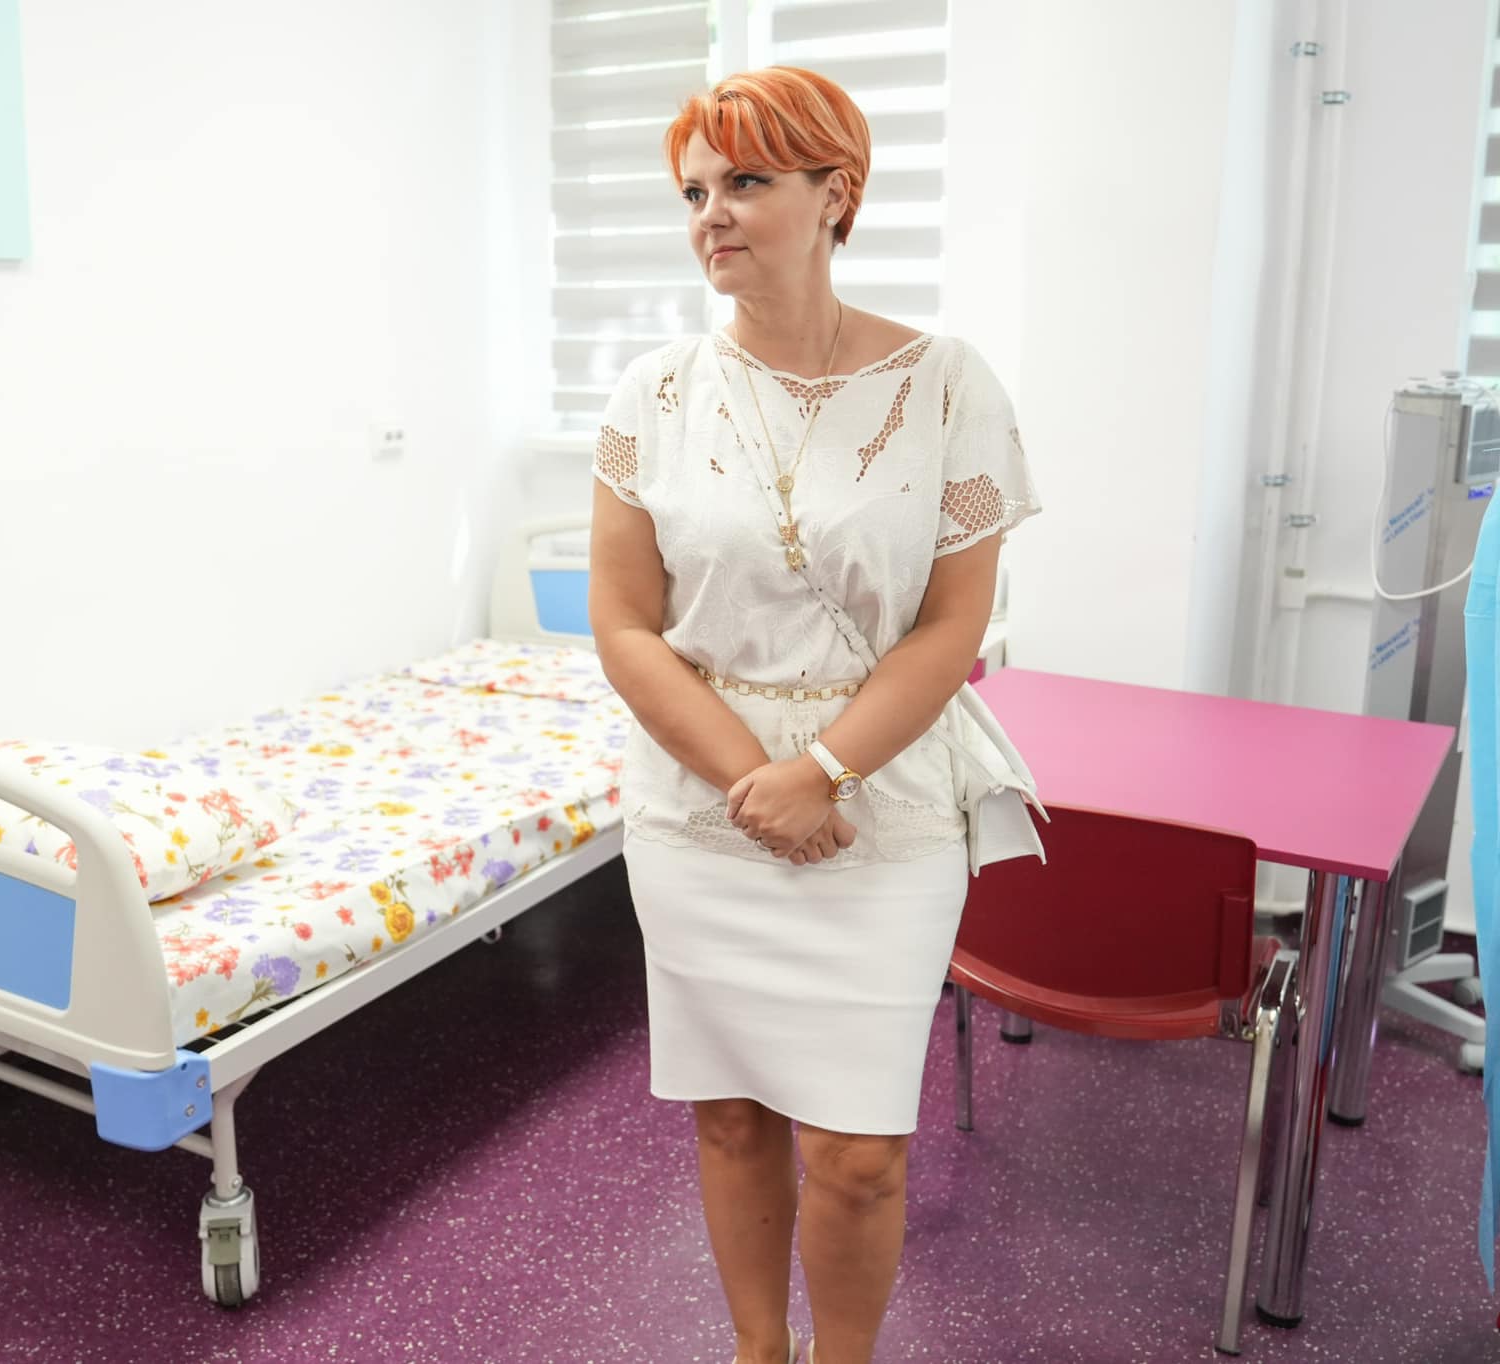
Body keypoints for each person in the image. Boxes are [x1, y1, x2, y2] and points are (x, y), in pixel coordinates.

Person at [585, 65, 1044, 1364]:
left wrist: (824, 770)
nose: (711, 215)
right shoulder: (653, 396)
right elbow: (625, 625)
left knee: (856, 1151)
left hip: (884, 815)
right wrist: (757, 779)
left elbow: (952, 627)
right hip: (699, 812)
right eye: (693, 192)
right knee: (730, 1115)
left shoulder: (948, 386)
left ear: (836, 194)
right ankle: (757, 1350)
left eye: (745, 182)